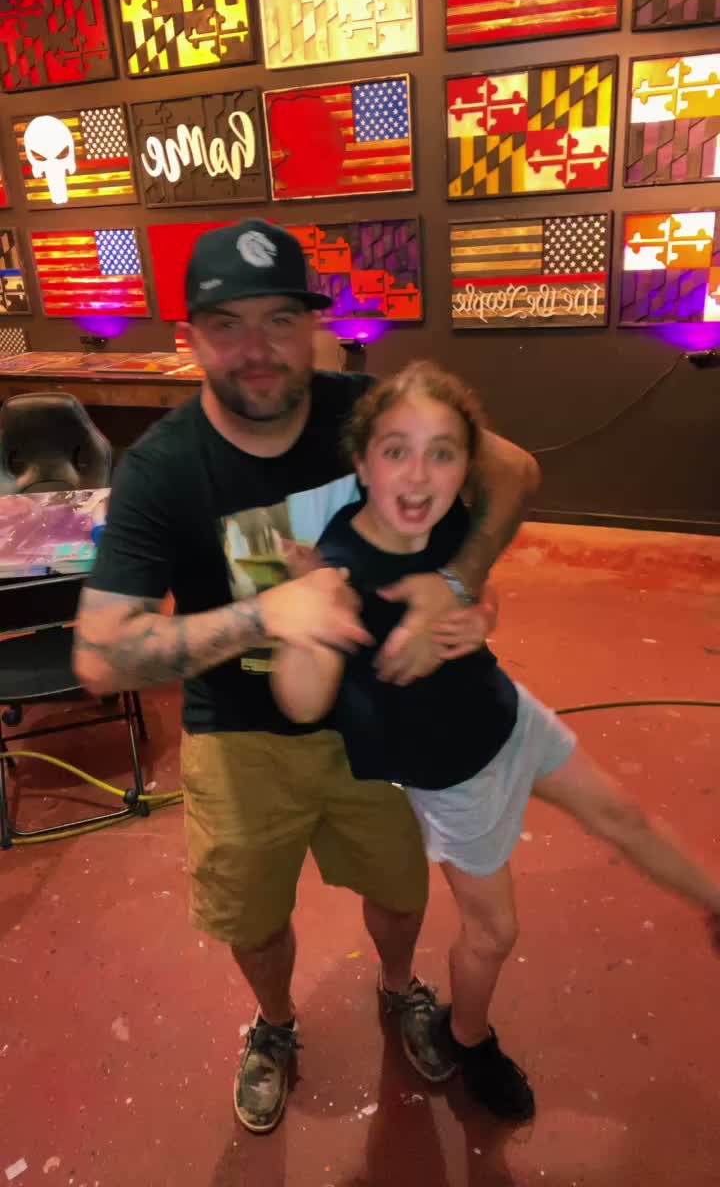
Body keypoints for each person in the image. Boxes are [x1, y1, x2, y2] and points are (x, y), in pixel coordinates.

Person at [72, 222, 540, 1135]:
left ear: (314, 327)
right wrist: (262, 616)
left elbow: (514, 472)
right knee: (252, 919)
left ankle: (399, 989)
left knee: (399, 892)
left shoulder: (368, 411)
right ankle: (277, 1024)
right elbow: (99, 655)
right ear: (189, 336)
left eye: (280, 319)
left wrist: (456, 584)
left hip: (374, 715)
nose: (258, 348)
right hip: (239, 733)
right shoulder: (163, 469)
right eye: (227, 324)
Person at [271, 359, 720, 1124]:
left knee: (624, 815)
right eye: (397, 451)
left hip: (508, 716)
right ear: (361, 465)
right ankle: (469, 1037)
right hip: (454, 775)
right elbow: (303, 694)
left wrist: (475, 613)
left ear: (465, 466)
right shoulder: (341, 565)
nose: (420, 474)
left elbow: (484, 586)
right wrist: (296, 623)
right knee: (494, 931)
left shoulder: (446, 522)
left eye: (443, 453)